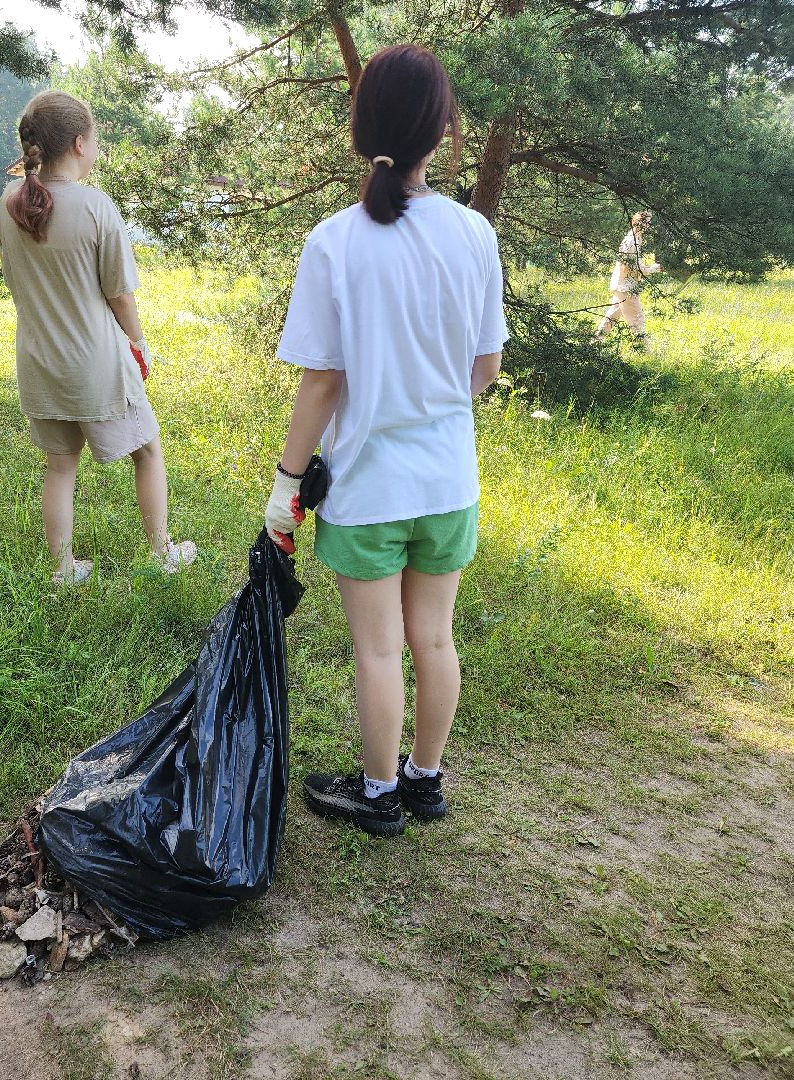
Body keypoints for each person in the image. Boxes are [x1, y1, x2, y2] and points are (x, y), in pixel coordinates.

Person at [264, 45, 508, 837]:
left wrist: (285, 483)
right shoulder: (474, 233)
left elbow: (323, 382)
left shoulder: (334, 241)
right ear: (445, 132)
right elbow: (486, 368)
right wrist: (433, 407)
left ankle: (376, 797)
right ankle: (425, 783)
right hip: (448, 482)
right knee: (433, 637)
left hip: (369, 487)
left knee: (377, 650)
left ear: (359, 127)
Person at [0, 90, 195, 585]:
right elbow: (120, 296)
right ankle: (162, 553)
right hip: (96, 365)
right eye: (96, 143)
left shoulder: (9, 205)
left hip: (39, 361)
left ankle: (63, 570)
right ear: (79, 144)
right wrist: (139, 343)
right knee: (147, 451)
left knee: (60, 464)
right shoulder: (95, 207)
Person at [594, 210, 661, 341]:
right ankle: (645, 353)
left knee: (611, 318)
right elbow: (627, 267)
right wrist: (651, 269)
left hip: (622, 285)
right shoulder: (632, 241)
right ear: (642, 224)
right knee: (637, 320)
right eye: (648, 222)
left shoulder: (636, 238)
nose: (649, 225)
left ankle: (593, 343)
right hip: (625, 287)